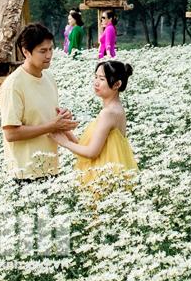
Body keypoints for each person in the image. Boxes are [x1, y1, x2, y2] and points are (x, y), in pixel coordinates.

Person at [0, 24, 79, 182]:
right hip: (25, 173)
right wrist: (52, 126)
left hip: (51, 167)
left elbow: (48, 120)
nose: (48, 55)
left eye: (51, 49)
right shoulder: (14, 85)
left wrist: (63, 120)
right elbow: (11, 133)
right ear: (26, 52)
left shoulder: (48, 78)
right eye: (42, 51)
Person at [52, 60, 139, 194]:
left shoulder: (108, 113)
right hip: (110, 173)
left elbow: (92, 152)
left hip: (104, 178)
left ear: (117, 84)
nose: (96, 83)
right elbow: (88, 147)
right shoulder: (116, 109)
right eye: (96, 77)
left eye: (102, 79)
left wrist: (64, 143)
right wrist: (67, 132)